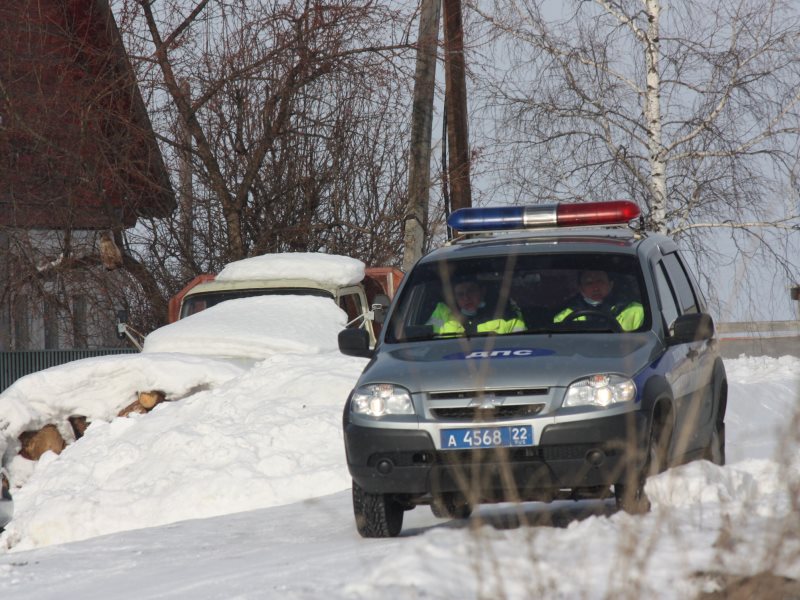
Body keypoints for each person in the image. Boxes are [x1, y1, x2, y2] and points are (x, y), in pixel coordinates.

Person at [426, 273, 526, 335]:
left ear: (482, 291)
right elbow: (426, 345)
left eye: (471, 291)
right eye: (460, 294)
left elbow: (521, 346)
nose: (466, 298)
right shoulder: (443, 314)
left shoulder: (506, 314)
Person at [553, 270, 644, 331]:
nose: (595, 287)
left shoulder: (636, 312)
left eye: (600, 281)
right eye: (589, 283)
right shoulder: (563, 318)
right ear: (581, 289)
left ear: (610, 285)